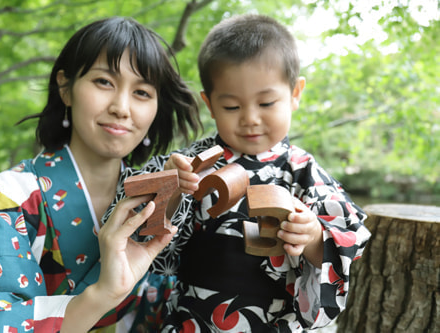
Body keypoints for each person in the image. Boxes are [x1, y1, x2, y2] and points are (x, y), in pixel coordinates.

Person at [105, 14, 372, 332]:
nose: (250, 119)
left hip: (271, 317)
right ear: (211, 104)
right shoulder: (191, 162)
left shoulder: (302, 171)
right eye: (232, 107)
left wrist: (314, 237)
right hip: (192, 312)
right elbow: (139, 237)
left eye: (267, 103)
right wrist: (169, 190)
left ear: (295, 94)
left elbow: (349, 241)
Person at [0, 16, 201, 332]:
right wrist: (100, 296)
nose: (122, 107)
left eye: (142, 93)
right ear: (65, 88)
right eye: (104, 82)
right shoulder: (8, 197)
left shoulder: (156, 201)